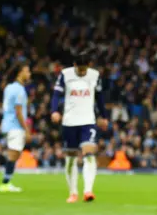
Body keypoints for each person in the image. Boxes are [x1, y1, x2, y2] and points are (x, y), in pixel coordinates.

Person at [51, 52, 108, 203]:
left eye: (85, 69)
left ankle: (88, 191)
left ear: (89, 66)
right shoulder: (65, 74)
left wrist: (104, 116)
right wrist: (54, 111)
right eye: (80, 69)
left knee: (89, 153)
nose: (82, 73)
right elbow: (56, 94)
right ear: (74, 65)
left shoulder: (94, 75)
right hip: (69, 122)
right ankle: (73, 192)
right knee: (71, 158)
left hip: (88, 121)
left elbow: (100, 97)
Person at [0, 62, 32, 193]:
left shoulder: (9, 87)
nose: (29, 74)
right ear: (20, 73)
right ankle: (5, 183)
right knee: (14, 154)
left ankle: (6, 178)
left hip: (7, 123)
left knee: (15, 153)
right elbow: (18, 111)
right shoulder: (19, 90)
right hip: (15, 125)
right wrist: (27, 129)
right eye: (27, 71)